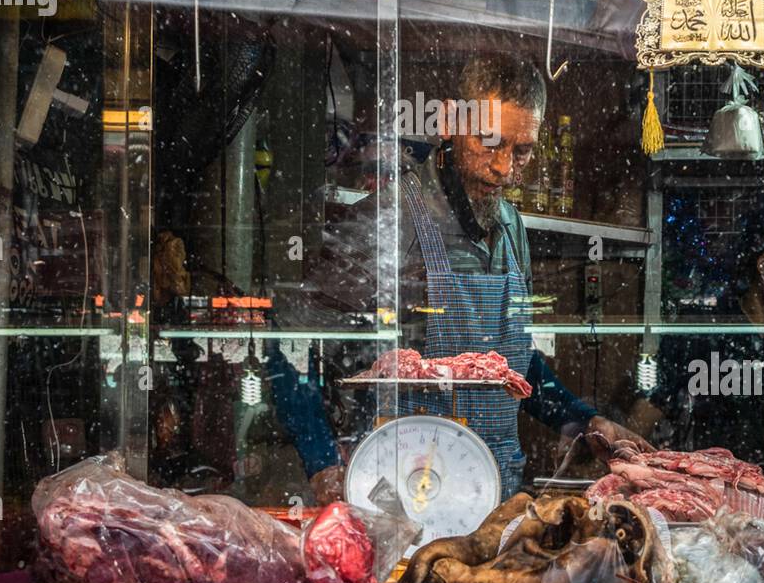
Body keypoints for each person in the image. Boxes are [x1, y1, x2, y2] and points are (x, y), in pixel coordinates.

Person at [270, 54, 651, 502]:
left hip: (496, 486)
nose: (505, 168)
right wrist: (323, 466)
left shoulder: (511, 227)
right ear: (450, 120)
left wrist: (585, 422)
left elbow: (511, 364)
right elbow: (292, 346)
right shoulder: (388, 223)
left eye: (522, 149)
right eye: (490, 142)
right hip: (407, 490)